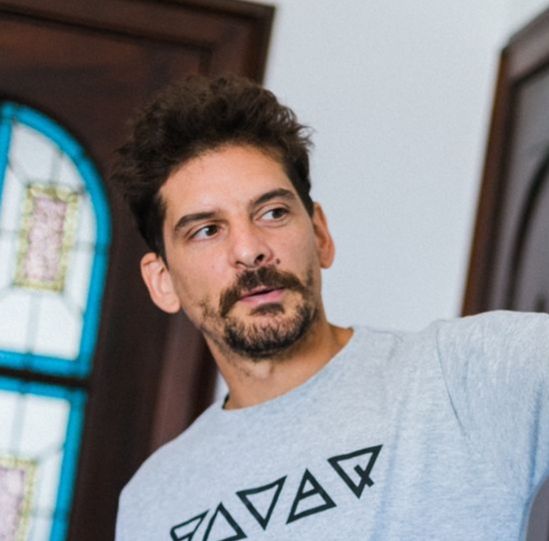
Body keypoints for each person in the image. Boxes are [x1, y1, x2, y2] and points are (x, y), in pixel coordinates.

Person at [112, 75, 549, 541]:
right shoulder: (152, 501)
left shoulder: (463, 374)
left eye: (273, 213)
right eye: (206, 230)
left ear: (320, 234)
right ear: (162, 281)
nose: (250, 250)